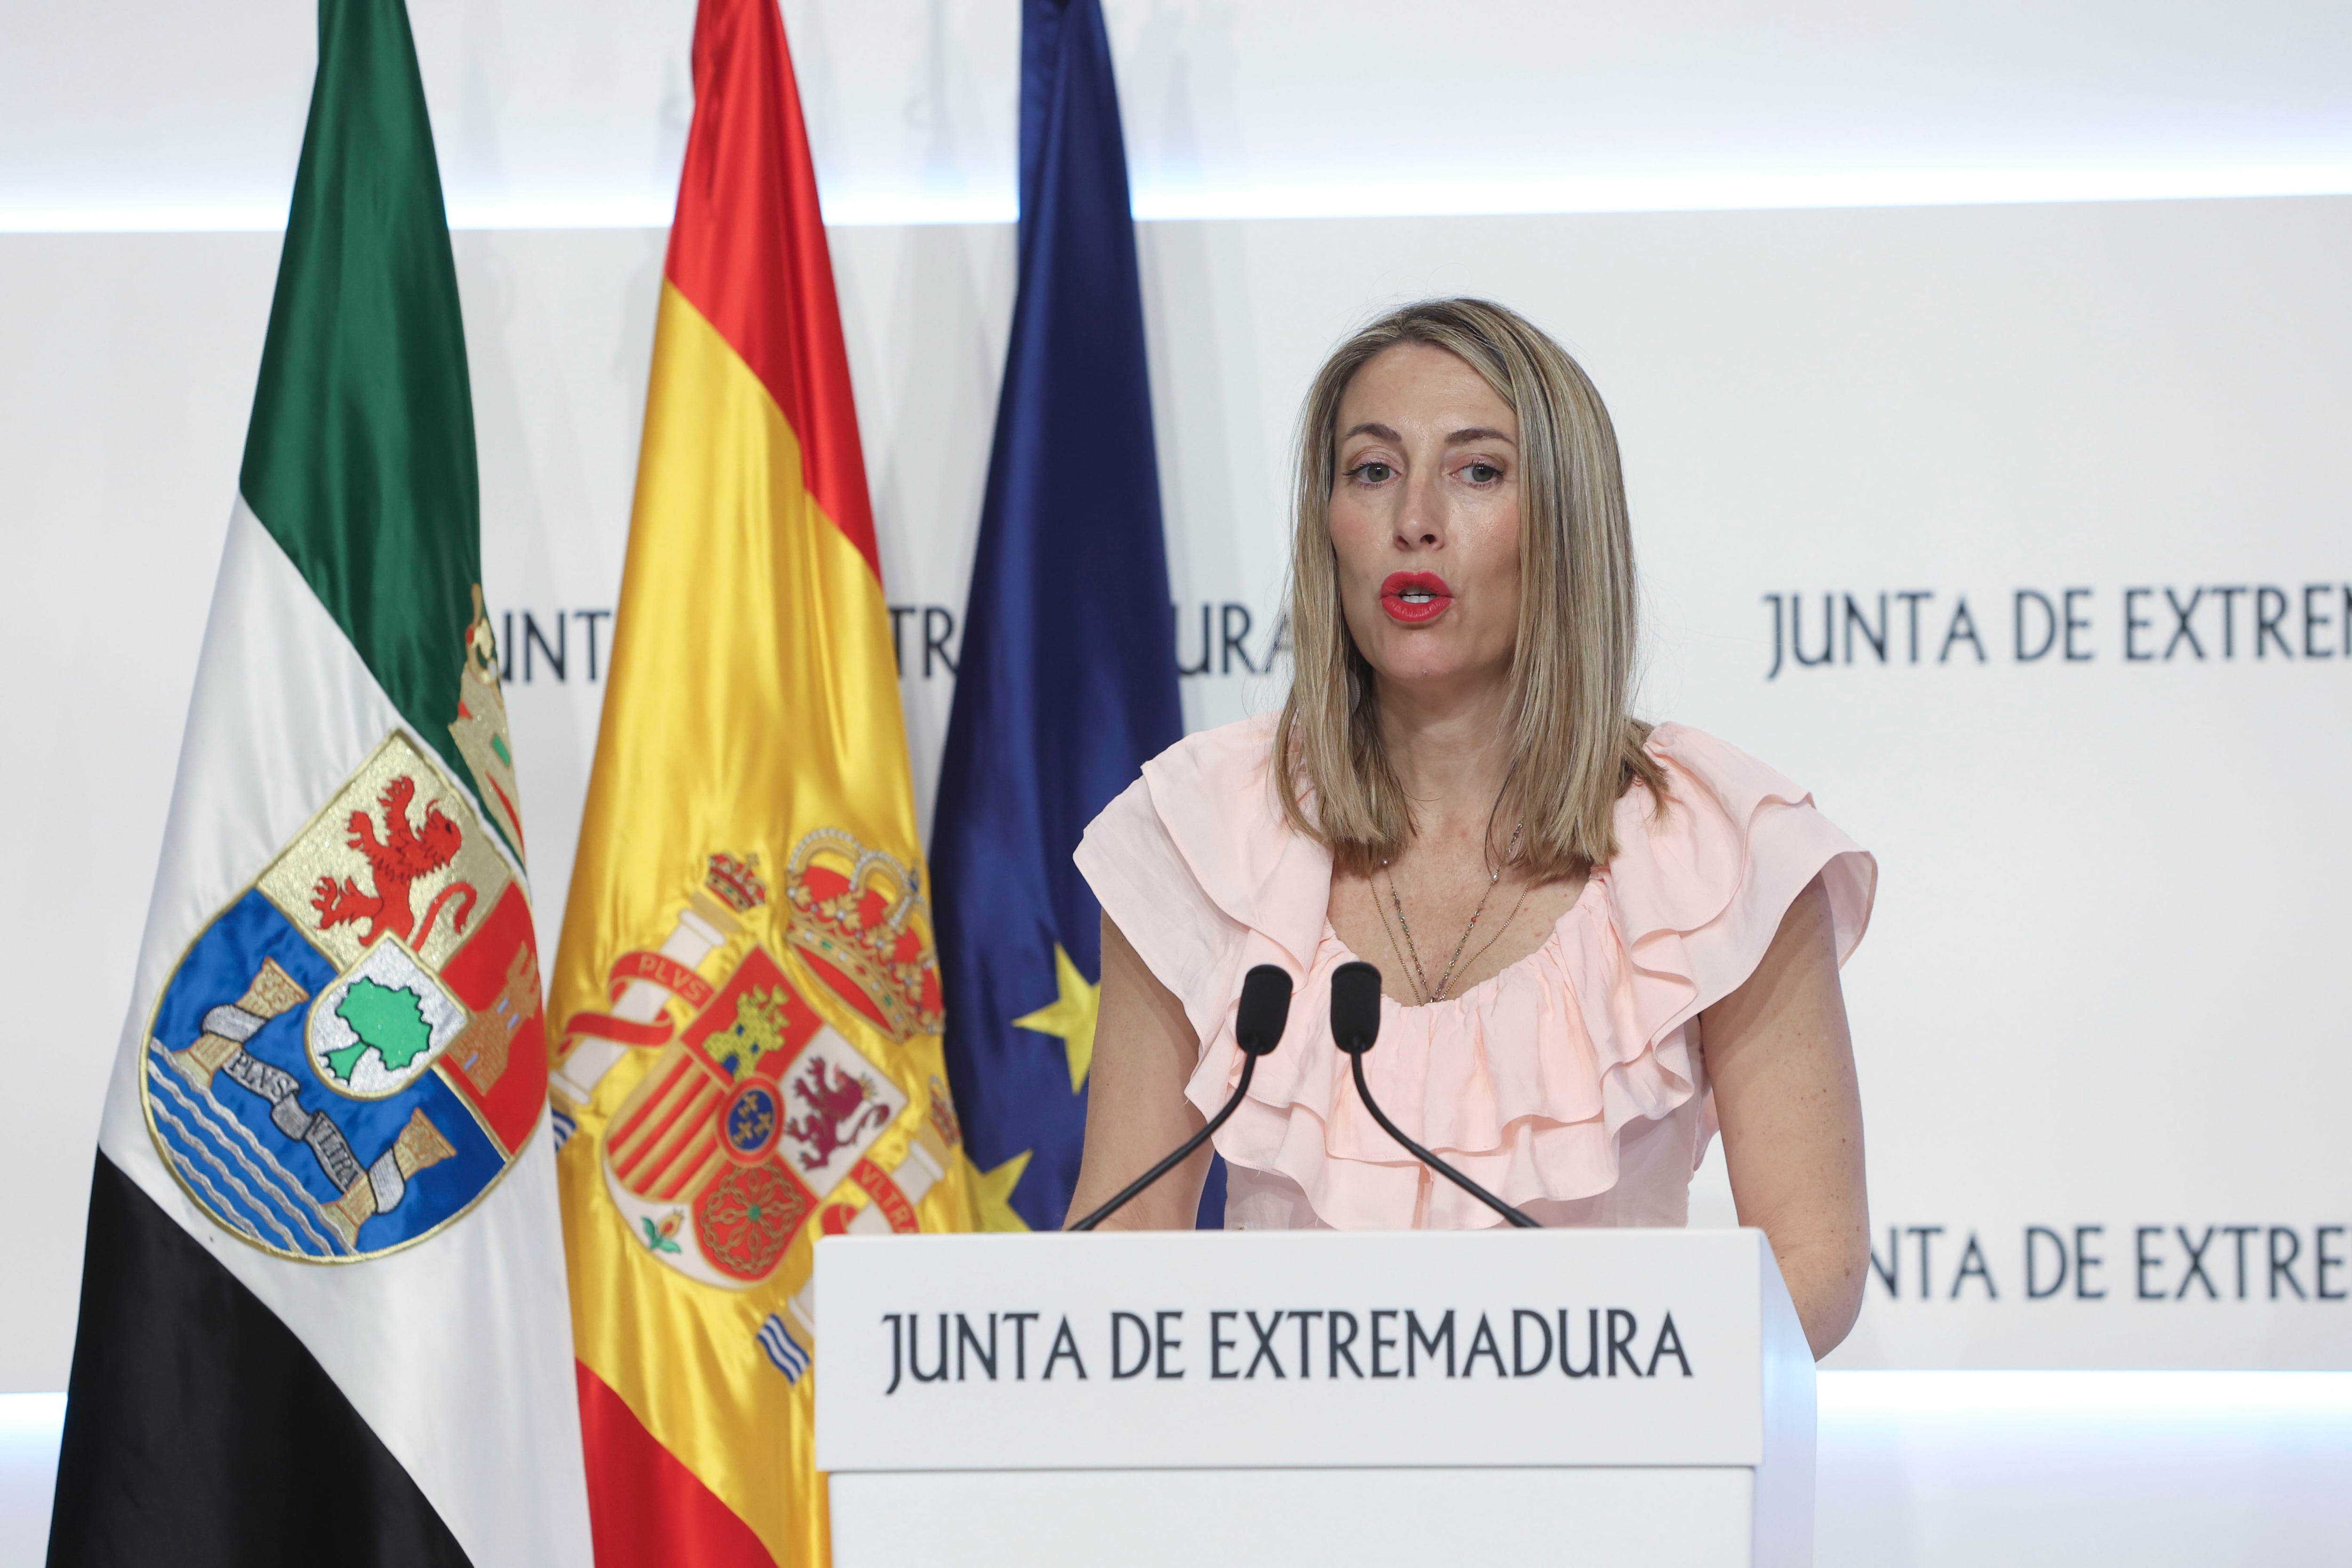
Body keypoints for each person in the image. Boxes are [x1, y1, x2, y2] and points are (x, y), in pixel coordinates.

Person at [1067, 298, 1875, 1358]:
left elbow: (1813, 1268)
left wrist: (1597, 1398)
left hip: (1603, 1485)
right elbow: (1120, 1239)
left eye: (1477, 471)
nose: (1416, 518)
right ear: (1327, 524)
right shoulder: (1206, 831)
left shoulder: (1714, 847)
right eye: (1371, 470)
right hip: (1272, 1492)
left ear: (1564, 521)